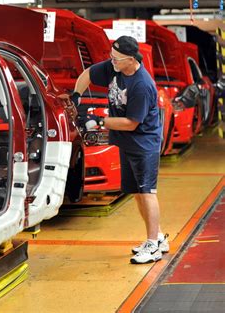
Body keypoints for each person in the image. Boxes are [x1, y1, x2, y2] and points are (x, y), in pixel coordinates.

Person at [71, 35, 169, 264]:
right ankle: (158, 238)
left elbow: (131, 123)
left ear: (131, 60)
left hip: (144, 144)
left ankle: (153, 245)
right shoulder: (115, 68)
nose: (111, 61)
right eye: (111, 56)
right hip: (127, 143)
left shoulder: (142, 85)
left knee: (147, 192)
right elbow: (87, 74)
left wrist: (98, 121)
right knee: (136, 193)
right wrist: (77, 95)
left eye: (116, 58)